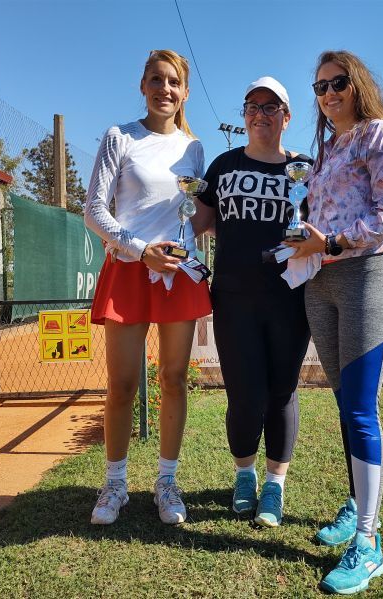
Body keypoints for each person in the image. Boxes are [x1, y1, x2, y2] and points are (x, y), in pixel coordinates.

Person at [286, 50, 383, 594]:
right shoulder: (327, 149)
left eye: (337, 83)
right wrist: (301, 237)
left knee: (360, 409)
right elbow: (318, 216)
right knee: (344, 405)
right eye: (319, 87)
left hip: (365, 275)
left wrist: (332, 241)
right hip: (320, 280)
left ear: (357, 84)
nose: (329, 93)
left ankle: (368, 541)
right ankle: (359, 504)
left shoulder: (381, 135)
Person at [83, 49, 210, 526]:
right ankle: (115, 485)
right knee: (122, 384)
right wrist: (140, 250)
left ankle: (167, 483)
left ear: (185, 92)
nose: (165, 89)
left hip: (178, 272)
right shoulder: (120, 136)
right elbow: (94, 210)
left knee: (174, 380)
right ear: (143, 85)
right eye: (156, 80)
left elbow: (193, 216)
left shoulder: (194, 149)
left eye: (173, 82)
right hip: (130, 268)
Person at [192, 77, 311, 528]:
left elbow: (321, 224)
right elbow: (197, 222)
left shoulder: (305, 168)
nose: (260, 114)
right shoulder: (224, 165)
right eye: (252, 106)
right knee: (243, 393)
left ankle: (275, 484)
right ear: (244, 115)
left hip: (289, 298)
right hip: (234, 297)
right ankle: (245, 475)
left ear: (286, 116)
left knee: (281, 391)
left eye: (270, 106)